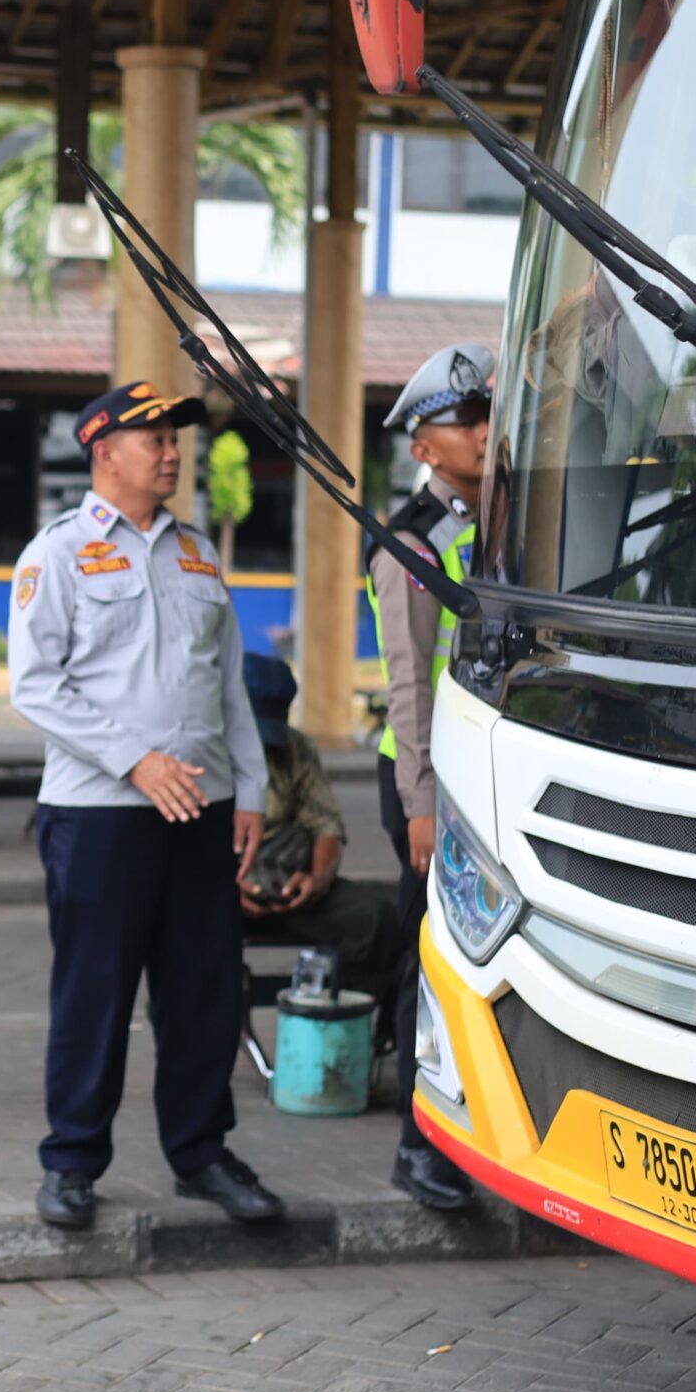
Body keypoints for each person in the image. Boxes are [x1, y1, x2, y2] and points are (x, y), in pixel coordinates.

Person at [7, 380, 280, 1231]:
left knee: (200, 992)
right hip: (99, 815)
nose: (170, 454)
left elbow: (227, 686)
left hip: (202, 810)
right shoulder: (55, 554)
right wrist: (137, 761)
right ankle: (73, 1162)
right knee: (95, 994)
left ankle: (200, 1154)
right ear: (104, 453)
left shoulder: (197, 554)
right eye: (153, 439)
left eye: (174, 440)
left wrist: (251, 791)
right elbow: (33, 685)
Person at [371, 341, 492, 1212]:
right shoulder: (410, 543)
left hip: (486, 775)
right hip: (426, 783)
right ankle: (421, 1148)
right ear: (423, 446)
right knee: (436, 962)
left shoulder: (511, 525)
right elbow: (409, 684)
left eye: (489, 415)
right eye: (465, 422)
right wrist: (418, 805)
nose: (484, 432)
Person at [236, 654, 393, 991]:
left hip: (287, 881)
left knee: (376, 920)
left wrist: (316, 880)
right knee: (186, 927)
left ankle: (344, 1023)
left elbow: (326, 826)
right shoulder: (204, 750)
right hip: (223, 890)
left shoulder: (295, 748)